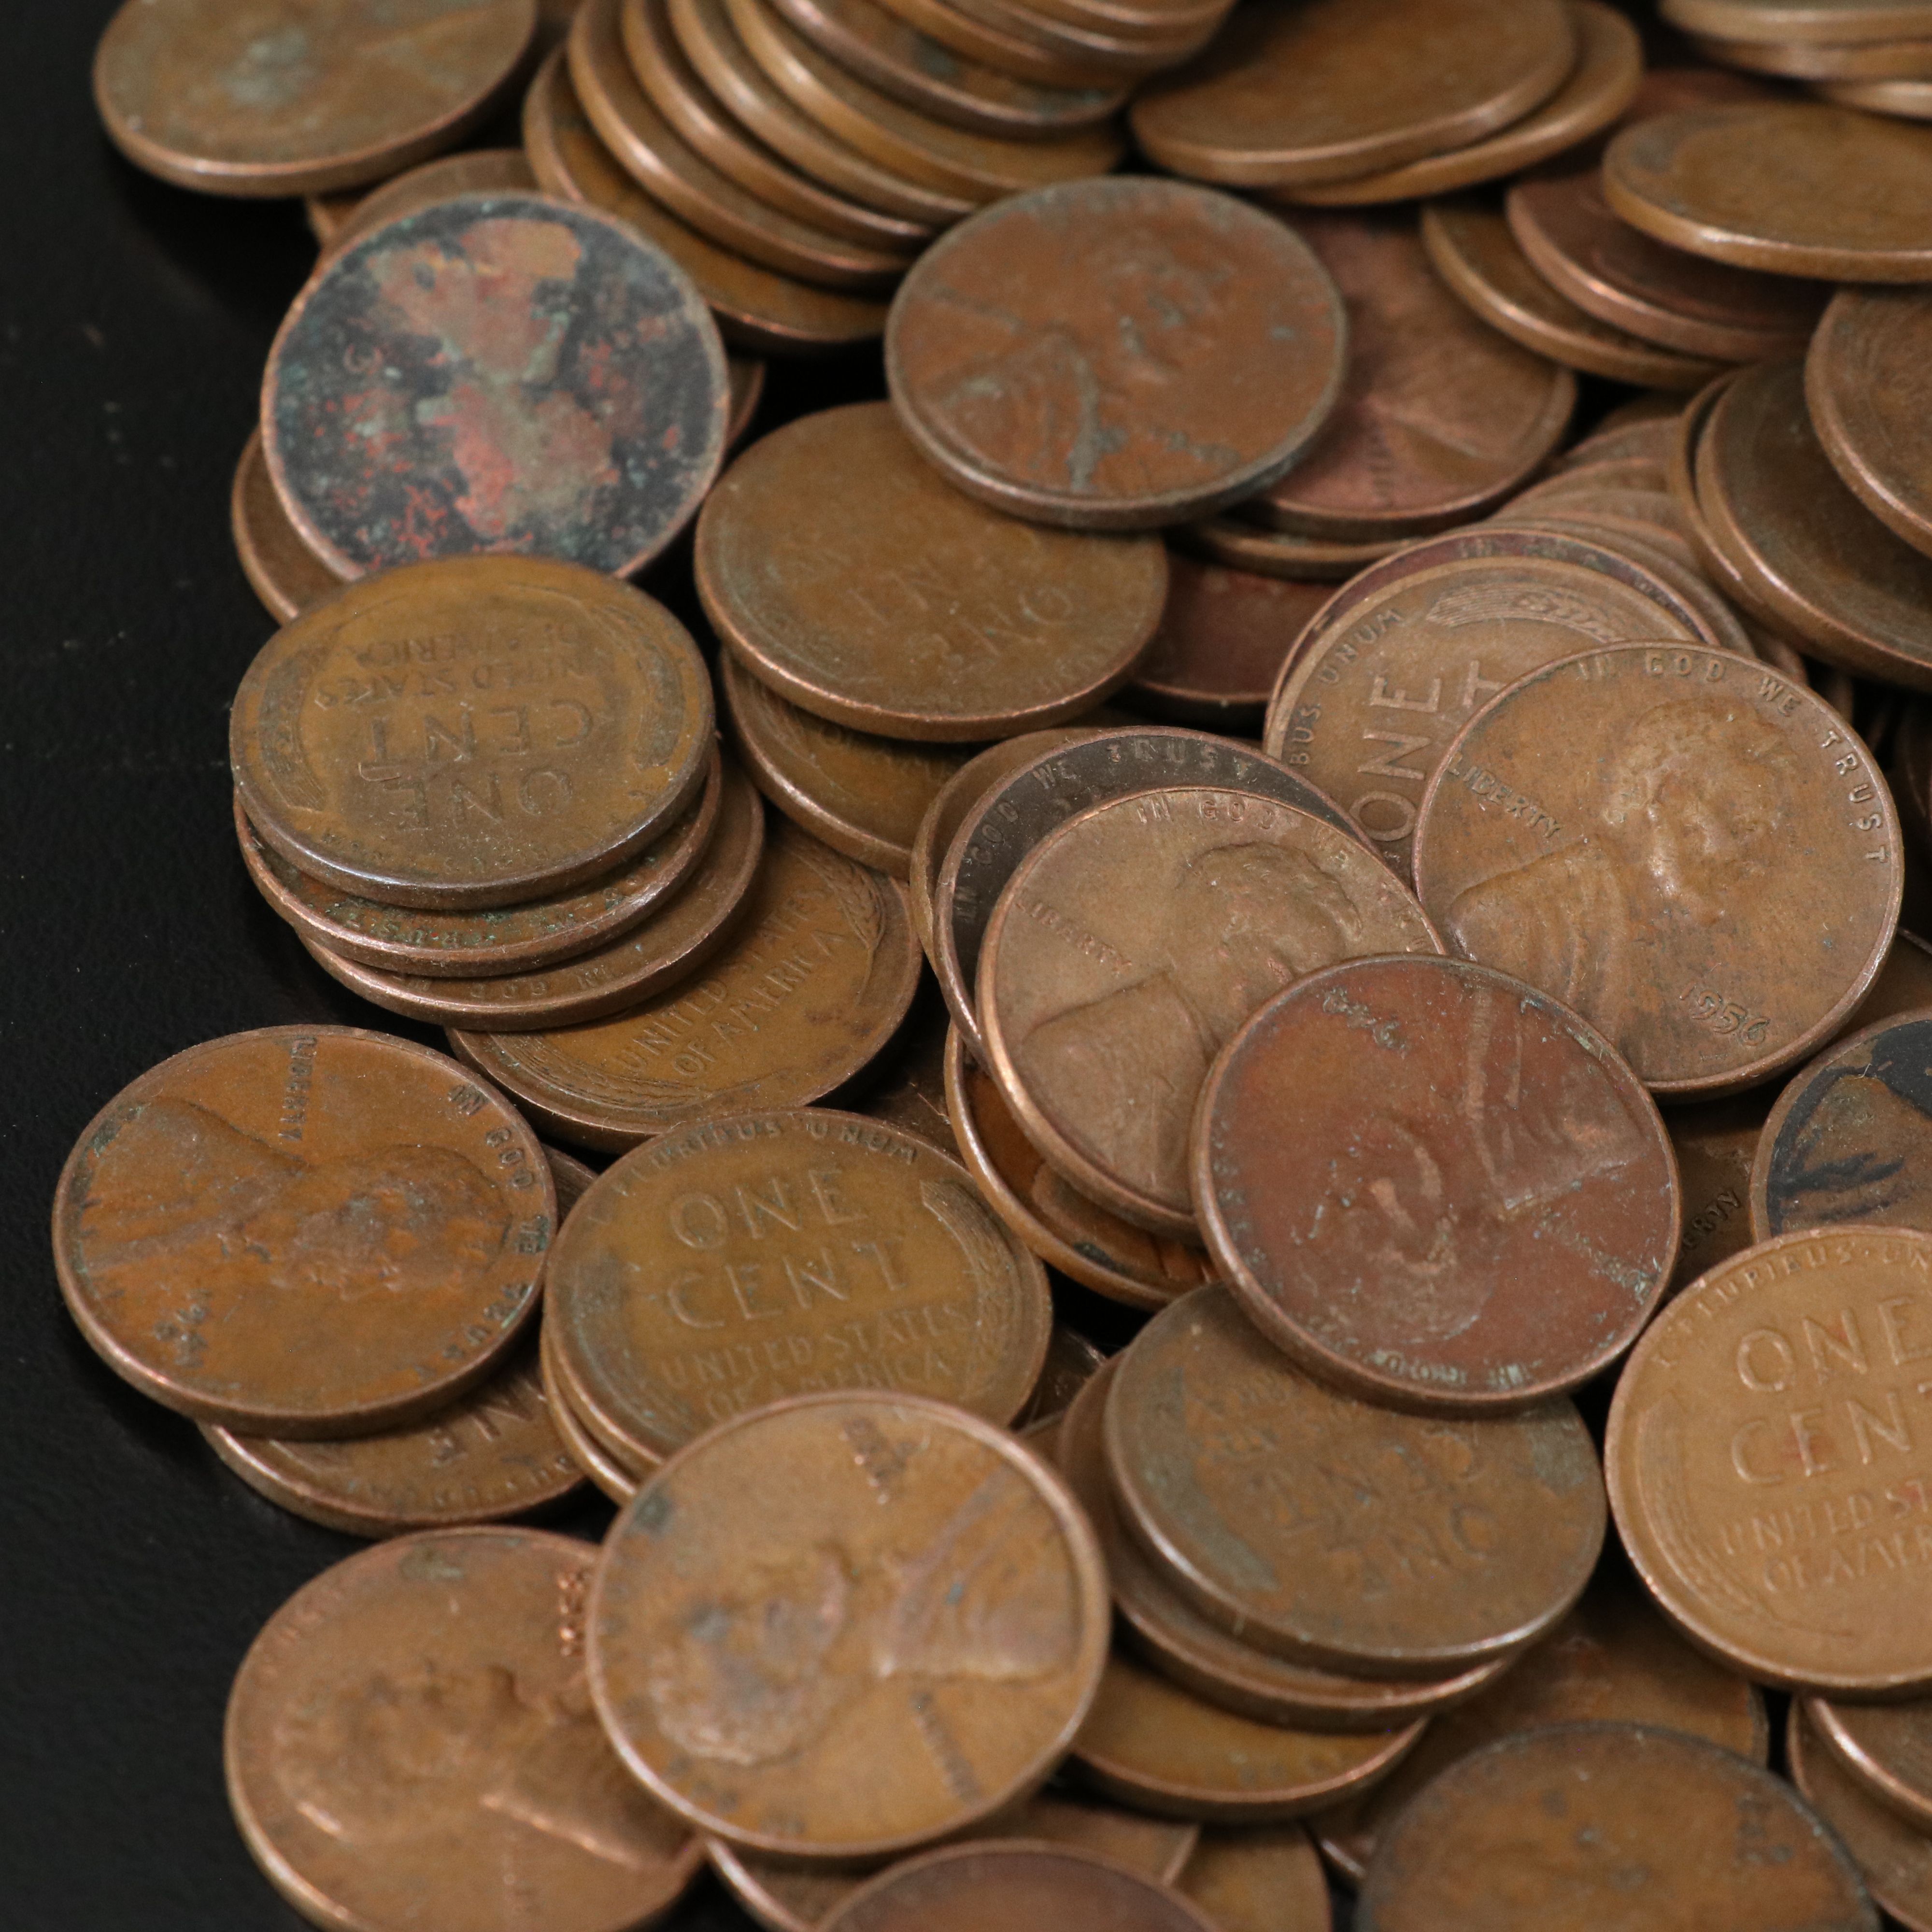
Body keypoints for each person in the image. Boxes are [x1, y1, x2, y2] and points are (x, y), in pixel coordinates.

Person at [1016, 839, 1377, 1205]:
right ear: (1226, 949)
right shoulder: (1077, 1060)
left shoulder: (1275, 1092)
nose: (1317, 1008)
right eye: (1297, 975)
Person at [1445, 695, 1795, 1052]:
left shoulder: (1698, 954)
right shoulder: (1506, 922)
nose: (1752, 861)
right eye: (1741, 827)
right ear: (1671, 798)